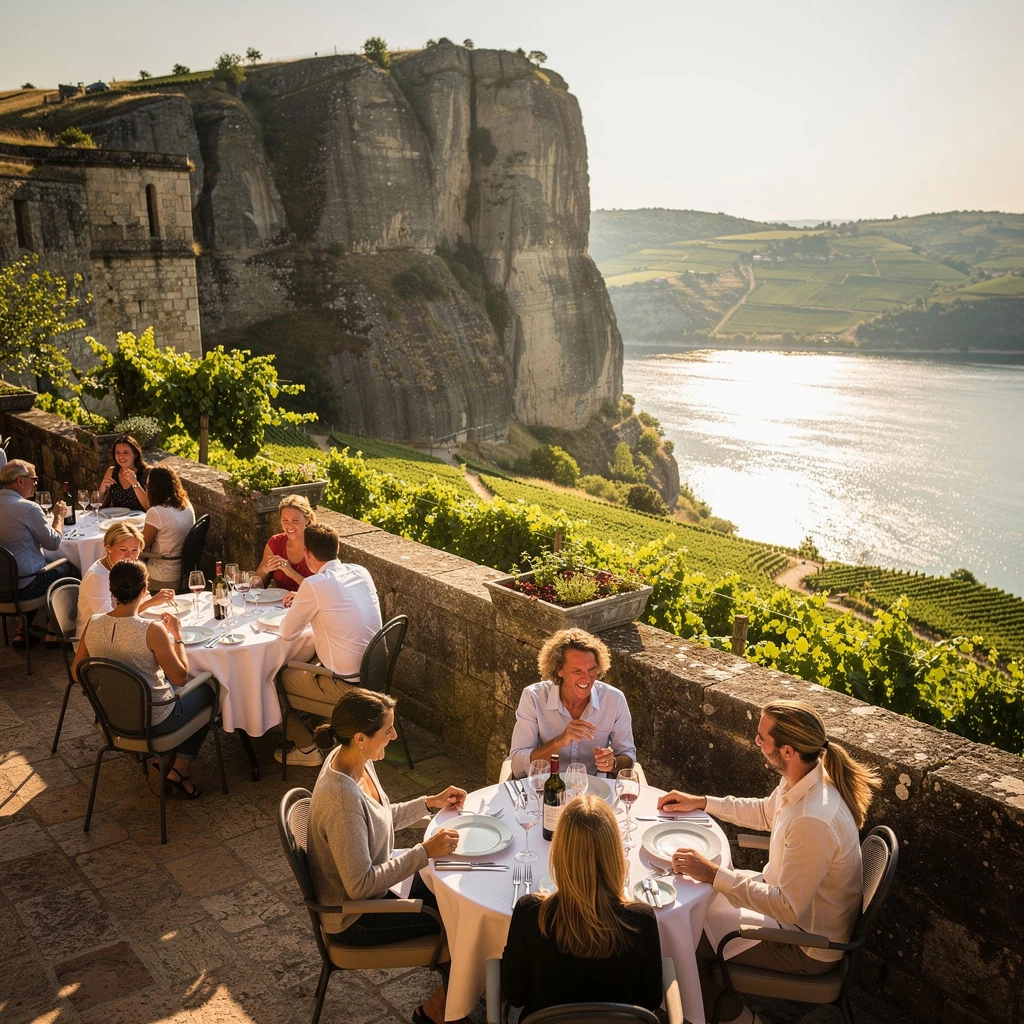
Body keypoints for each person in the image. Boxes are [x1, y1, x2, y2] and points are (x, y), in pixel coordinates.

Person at [658, 699, 882, 1024]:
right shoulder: (806, 778)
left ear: (787, 751)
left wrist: (713, 873)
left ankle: (743, 1020)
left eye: (762, 738)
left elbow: (787, 908)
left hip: (805, 944)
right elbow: (766, 812)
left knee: (685, 947)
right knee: (693, 917)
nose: (756, 741)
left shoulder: (813, 820)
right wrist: (702, 802)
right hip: (786, 912)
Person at [306, 688, 465, 1024]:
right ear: (361, 738)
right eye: (388, 730)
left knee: (460, 891)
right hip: (356, 918)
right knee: (461, 917)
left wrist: (429, 803)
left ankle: (463, 989)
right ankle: (436, 1012)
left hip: (380, 890)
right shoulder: (342, 798)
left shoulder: (355, 760)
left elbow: (378, 818)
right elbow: (360, 886)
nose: (394, 736)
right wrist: (424, 852)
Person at [502, 794, 662, 1018]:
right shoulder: (641, 919)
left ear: (559, 852)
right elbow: (650, 999)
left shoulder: (530, 913)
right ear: (614, 854)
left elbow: (516, 994)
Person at [72, 559, 215, 798]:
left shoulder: (93, 623)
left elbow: (77, 673)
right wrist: (178, 636)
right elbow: (180, 677)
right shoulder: (152, 630)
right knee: (209, 690)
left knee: (168, 685)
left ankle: (164, 758)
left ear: (111, 589)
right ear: (144, 589)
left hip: (112, 718)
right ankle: (180, 768)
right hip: (155, 721)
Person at [275, 522, 383, 767]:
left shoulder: (314, 585)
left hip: (347, 685)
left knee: (270, 680)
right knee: (307, 659)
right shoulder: (360, 571)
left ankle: (306, 748)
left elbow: (287, 632)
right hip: (375, 674)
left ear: (307, 553)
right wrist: (307, 601)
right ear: (338, 548)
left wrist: (304, 602)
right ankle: (319, 727)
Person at [509, 628, 636, 778]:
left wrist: (613, 763)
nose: (586, 678)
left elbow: (628, 755)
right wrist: (559, 741)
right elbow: (517, 765)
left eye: (592, 669)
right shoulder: (533, 697)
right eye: (577, 671)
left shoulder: (615, 699)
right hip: (546, 785)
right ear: (559, 670)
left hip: (595, 789)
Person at [0, 459, 79, 648]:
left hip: (3, 586)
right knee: (70, 569)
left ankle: (21, 631)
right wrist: (58, 516)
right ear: (20, 480)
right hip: (24, 586)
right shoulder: (27, 508)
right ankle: (53, 632)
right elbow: (53, 543)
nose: (36, 483)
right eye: (34, 479)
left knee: (30, 569)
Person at [76, 521, 176, 639]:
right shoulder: (97, 578)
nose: (129, 556)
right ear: (108, 548)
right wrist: (151, 603)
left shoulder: (129, 568)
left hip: (121, 629)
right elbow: (109, 622)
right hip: (97, 638)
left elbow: (141, 599)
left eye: (135, 550)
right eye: (123, 550)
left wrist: (155, 602)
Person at [142, 465, 195, 592]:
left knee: (123, 558)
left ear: (153, 488)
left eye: (147, 486)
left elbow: (142, 546)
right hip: (183, 570)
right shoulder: (186, 504)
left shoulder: (156, 512)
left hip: (164, 573)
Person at [255, 493, 316, 592]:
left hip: (308, 601)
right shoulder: (275, 543)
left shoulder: (317, 545)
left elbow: (321, 591)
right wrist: (264, 570)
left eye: (295, 520)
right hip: (278, 601)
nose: (289, 526)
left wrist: (292, 573)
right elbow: (255, 588)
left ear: (307, 520)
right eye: (285, 521)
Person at [97, 435, 150, 512]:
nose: (121, 456)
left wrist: (135, 484)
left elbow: (149, 507)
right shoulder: (111, 471)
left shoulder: (148, 473)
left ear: (135, 454)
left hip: (140, 518)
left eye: (126, 452)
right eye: (117, 453)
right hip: (116, 518)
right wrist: (102, 489)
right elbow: (99, 503)